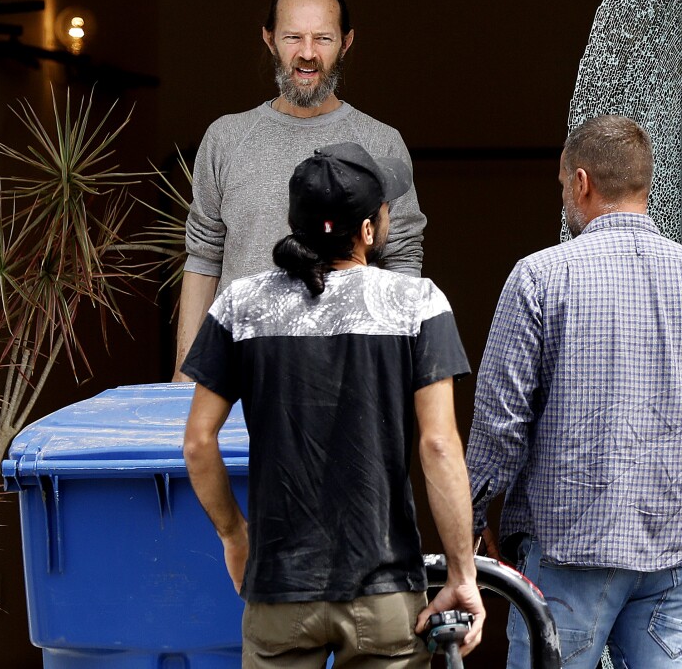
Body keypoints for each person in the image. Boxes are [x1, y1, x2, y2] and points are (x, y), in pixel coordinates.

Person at [466, 114, 682, 669]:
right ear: (645, 186)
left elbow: (499, 425)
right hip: (674, 554)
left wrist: (469, 519)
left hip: (567, 551)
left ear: (580, 183)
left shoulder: (538, 278)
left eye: (562, 187)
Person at [181, 142, 483, 669]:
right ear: (368, 230)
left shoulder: (241, 305)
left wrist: (235, 536)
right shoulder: (418, 303)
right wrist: (462, 575)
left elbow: (198, 442)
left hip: (278, 590)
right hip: (384, 594)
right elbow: (438, 445)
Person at [175, 0, 425, 378]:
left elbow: (403, 260)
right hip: (235, 377)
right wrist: (186, 375)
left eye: (323, 39)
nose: (307, 54)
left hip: (346, 379)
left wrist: (391, 374)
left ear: (346, 43)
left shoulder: (381, 143)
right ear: (269, 39)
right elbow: (204, 257)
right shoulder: (227, 138)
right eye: (293, 37)